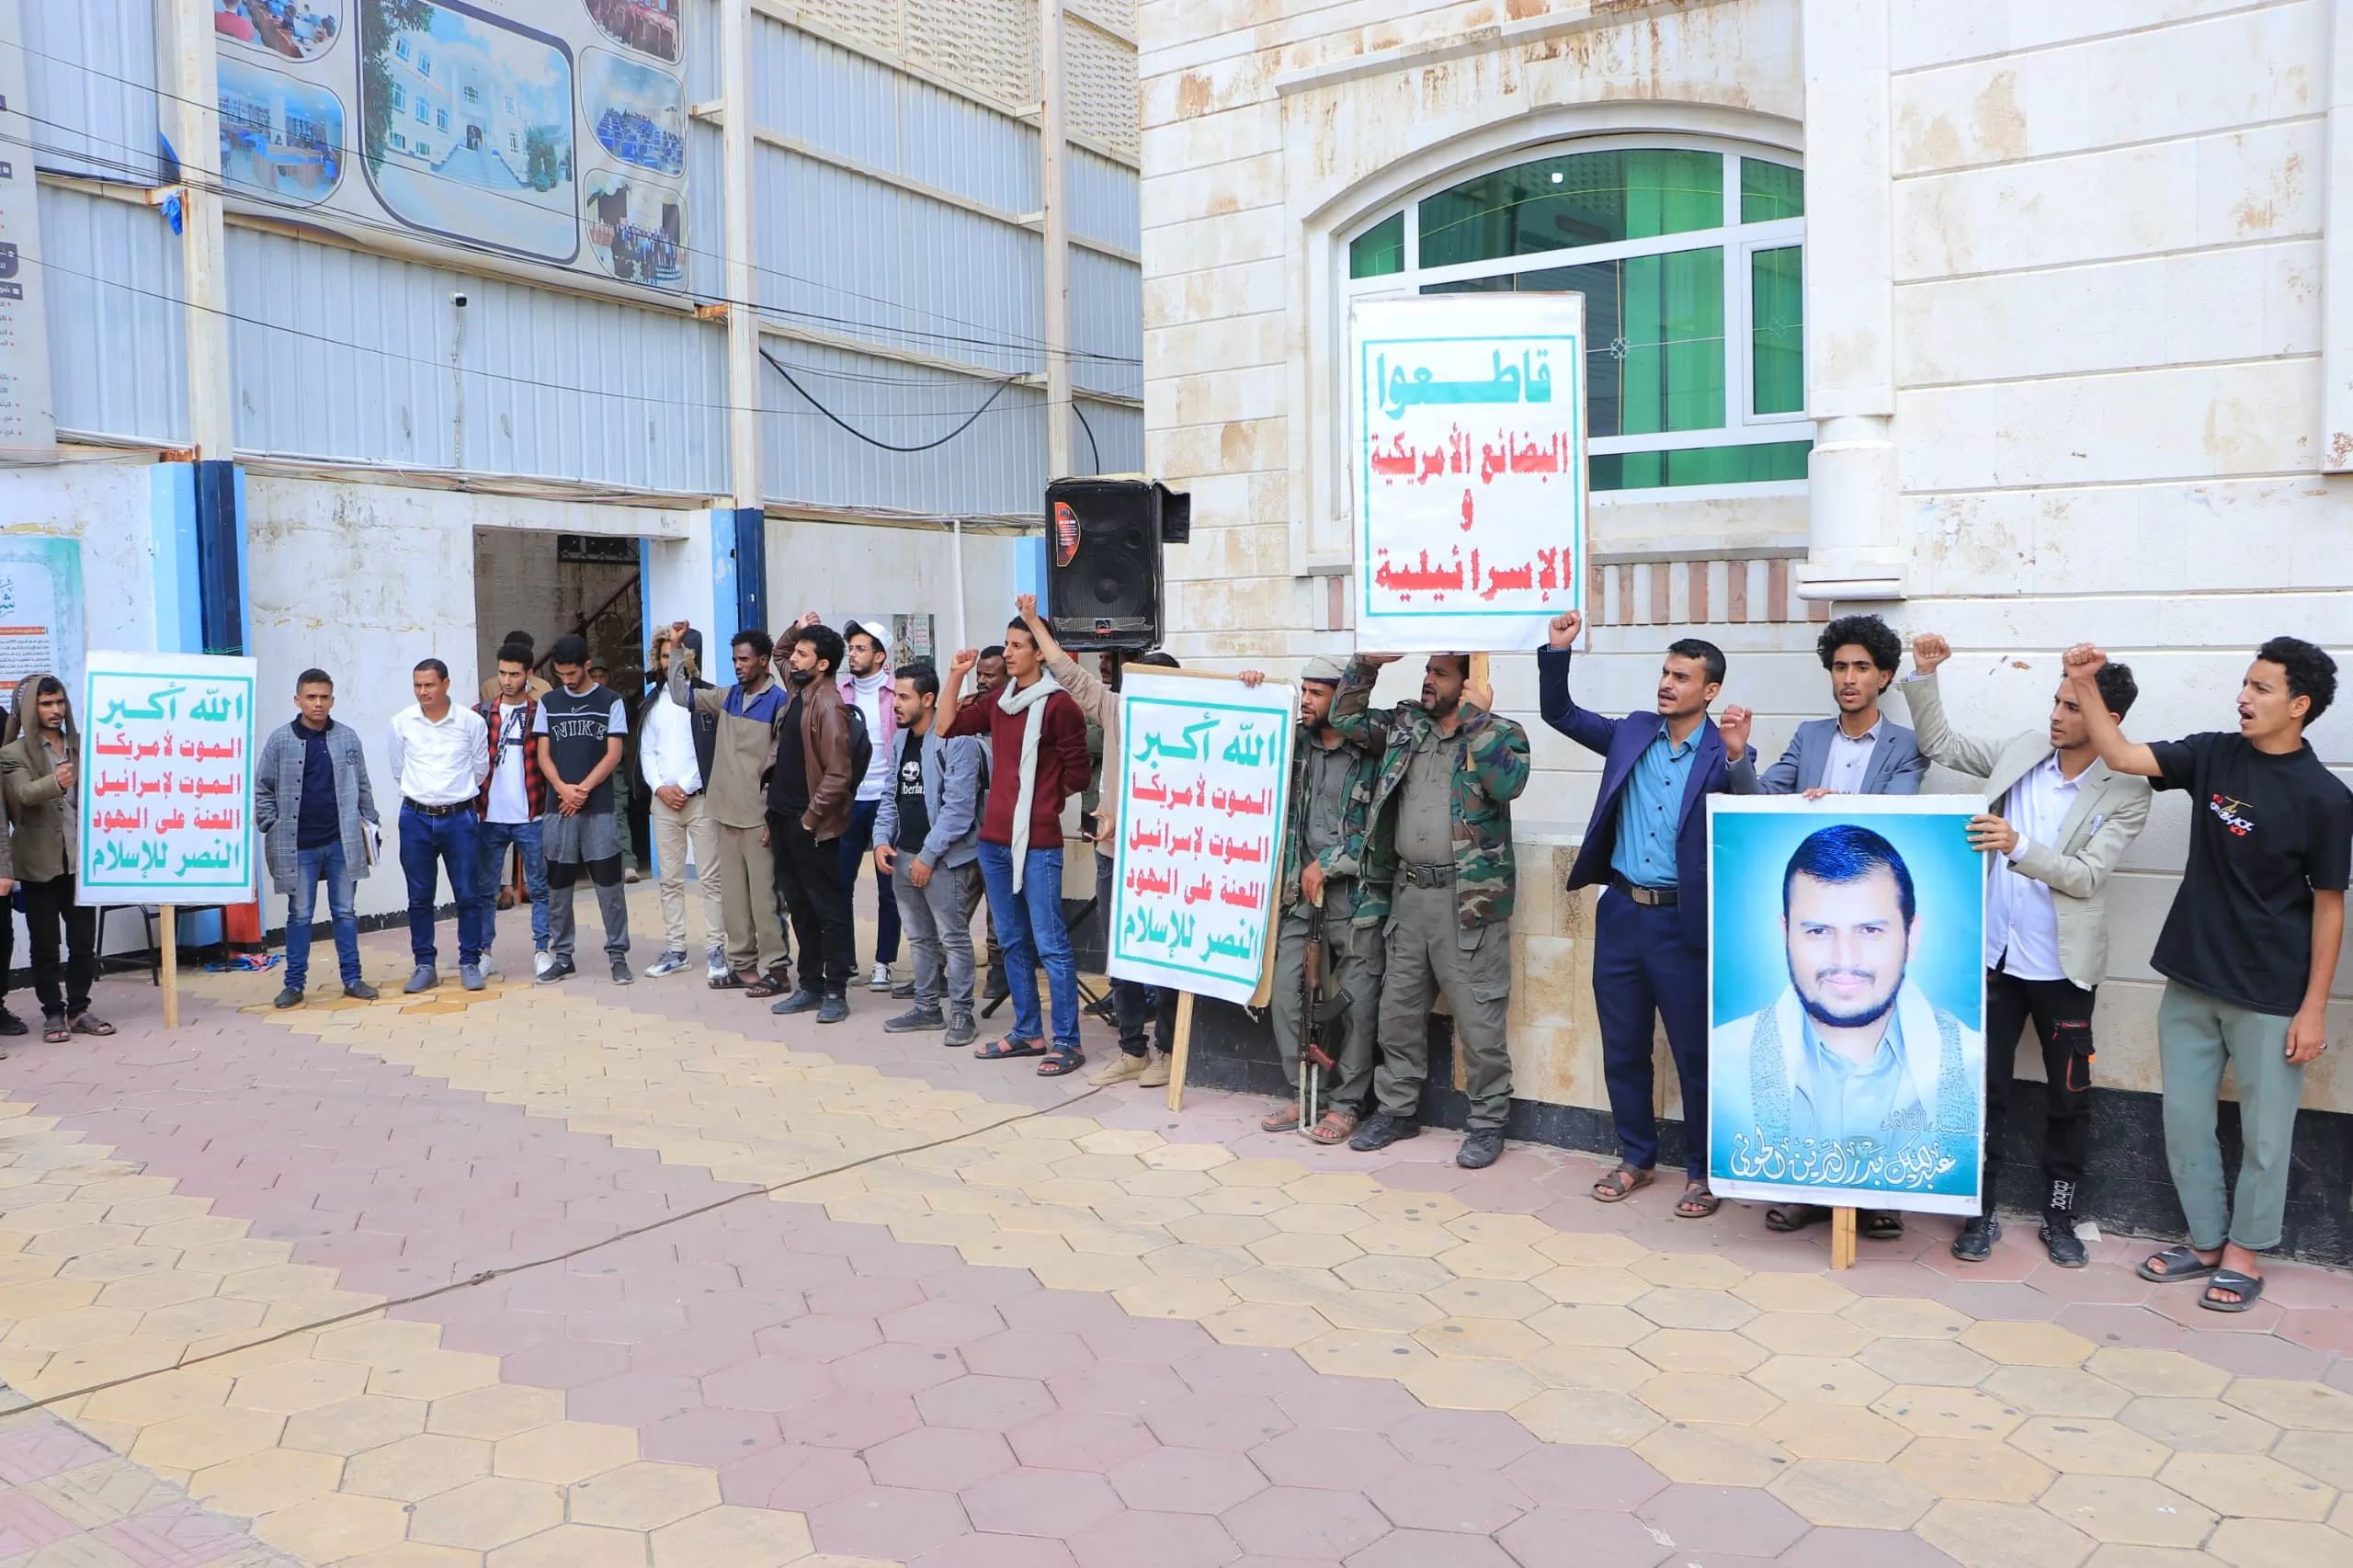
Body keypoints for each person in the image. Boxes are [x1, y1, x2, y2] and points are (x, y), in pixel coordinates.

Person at [2065, 637, 2350, 1312]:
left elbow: (2331, 910)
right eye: (2244, 685)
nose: (2243, 698)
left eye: (2260, 688)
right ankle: (2204, 1241)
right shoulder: (2215, 753)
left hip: (2271, 994)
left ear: (2300, 705)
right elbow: (2122, 754)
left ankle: (2246, 1252)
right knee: (2184, 1120)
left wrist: (2314, 1009)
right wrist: (2084, 684)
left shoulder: (2327, 799)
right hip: (2191, 977)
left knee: (2265, 1134)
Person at [1907, 632, 2152, 1267]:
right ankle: (1977, 1212)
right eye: (2056, 701)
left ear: (2107, 719)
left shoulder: (2127, 792)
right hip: (1994, 961)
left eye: (2072, 706)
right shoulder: (2023, 751)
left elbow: (2088, 876)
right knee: (1984, 1091)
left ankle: (2060, 1216)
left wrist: (2016, 846)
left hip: (2064, 973)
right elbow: (1944, 746)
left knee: (2069, 1100)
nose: (2056, 715)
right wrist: (1925, 675)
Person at [1543, 610, 1756, 1215]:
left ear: (1709, 691)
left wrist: (1740, 759)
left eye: (1682, 677)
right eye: (1665, 673)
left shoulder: (1724, 753)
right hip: (1621, 914)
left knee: (1693, 1054)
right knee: (1624, 1045)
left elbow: (1754, 815)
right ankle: (1635, 1156)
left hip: (1682, 925)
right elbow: (1561, 715)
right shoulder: (1632, 732)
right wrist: (1557, 652)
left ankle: (1702, 1171)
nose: (1667, 684)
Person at [1709, 824, 1988, 1214]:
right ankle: (1803, 1199)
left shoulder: (1970, 1061)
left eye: (1870, 930)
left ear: (1913, 935)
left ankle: (1879, 1206)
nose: (1845, 959)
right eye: (1819, 931)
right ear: (1785, 933)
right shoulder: (1726, 1057)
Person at [1330, 652, 1530, 1168]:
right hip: (1407, 897)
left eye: (1440, 674)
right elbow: (1344, 718)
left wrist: (1479, 718)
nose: (1427, 680)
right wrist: (1365, 664)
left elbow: (1508, 785)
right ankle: (1397, 1111)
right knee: (1398, 1016)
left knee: (1479, 1022)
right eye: (1428, 671)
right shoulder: (1404, 726)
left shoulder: (1500, 733)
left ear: (1467, 683)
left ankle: (1487, 1123)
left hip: (1468, 904)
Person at [1007, 596, 1179, 1085]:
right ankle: (1133, 1051)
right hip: (1112, 856)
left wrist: (1249, 684)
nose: (1145, 694)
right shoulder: (1119, 710)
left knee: (1164, 957)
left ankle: (1167, 1051)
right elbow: (1067, 671)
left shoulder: (1193, 727)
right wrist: (1033, 624)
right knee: (1120, 956)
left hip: (1163, 863)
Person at [939, 617, 1092, 1076]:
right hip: (995, 842)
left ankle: (1067, 1041)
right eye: (1006, 644)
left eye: (1018, 645)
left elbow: (1079, 773)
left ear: (1039, 653)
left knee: (1051, 945)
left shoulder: (1059, 706)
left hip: (1039, 842)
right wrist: (954, 674)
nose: (1008, 653)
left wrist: (1041, 803)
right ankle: (1028, 1031)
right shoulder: (999, 701)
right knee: (1011, 941)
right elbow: (945, 725)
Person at [1245, 657, 1386, 1144]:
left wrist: (1329, 863)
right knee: (1286, 995)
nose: (1305, 701)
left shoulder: (1370, 750)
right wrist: (1253, 690)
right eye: (1303, 691)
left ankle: (1346, 1105)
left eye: (1317, 693)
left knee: (1356, 1004)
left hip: (1358, 896)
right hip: (1299, 899)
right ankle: (1307, 1092)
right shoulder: (1295, 746)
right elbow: (1239, 740)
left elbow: (1378, 829)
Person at [665, 622, 791, 994]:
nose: (738, 665)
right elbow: (679, 696)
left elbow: (782, 765)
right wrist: (676, 649)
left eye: (745, 660)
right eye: (735, 659)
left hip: (759, 818)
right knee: (734, 900)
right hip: (724, 813)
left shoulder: (779, 702)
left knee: (765, 899)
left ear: (764, 661)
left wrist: (775, 816)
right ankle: (744, 966)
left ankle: (777, 970)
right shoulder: (728, 696)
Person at [873, 661, 985, 1044]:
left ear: (929, 699)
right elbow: (891, 794)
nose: (896, 705)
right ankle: (926, 1009)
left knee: (953, 938)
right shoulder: (901, 739)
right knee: (919, 939)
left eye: (904, 697)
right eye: (895, 697)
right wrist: (880, 839)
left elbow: (959, 809)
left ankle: (962, 1016)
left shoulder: (959, 741)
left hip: (943, 861)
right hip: (903, 856)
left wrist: (928, 856)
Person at [256, 669, 381, 1009]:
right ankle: (294, 984)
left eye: (324, 696)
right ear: (297, 700)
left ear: (332, 700)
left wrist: (372, 823)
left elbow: (363, 784)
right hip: (299, 845)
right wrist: (271, 823)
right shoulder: (281, 740)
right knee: (299, 915)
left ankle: (352, 979)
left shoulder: (347, 738)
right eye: (311, 697)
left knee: (345, 912)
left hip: (341, 841)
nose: (318, 703)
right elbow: (262, 787)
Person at [1, 673, 110, 1042]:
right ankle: (53, 1014)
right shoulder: (13, 753)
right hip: (38, 864)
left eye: (60, 702)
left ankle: (79, 1008)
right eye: (46, 704)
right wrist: (57, 781)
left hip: (81, 863)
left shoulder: (82, 745)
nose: (56, 710)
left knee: (83, 942)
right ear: (31, 709)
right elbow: (25, 793)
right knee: (46, 945)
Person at [768, 622, 858, 1023]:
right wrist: (799, 629)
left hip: (813, 825)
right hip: (784, 818)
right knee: (800, 906)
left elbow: (838, 776)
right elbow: (778, 653)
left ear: (822, 664)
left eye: (803, 654)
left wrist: (809, 820)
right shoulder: (799, 691)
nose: (794, 660)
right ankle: (810, 985)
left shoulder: (829, 706)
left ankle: (836, 990)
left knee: (828, 908)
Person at [533, 635, 632, 985]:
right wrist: (562, 789)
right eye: (561, 674)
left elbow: (613, 754)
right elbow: (543, 754)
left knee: (609, 883)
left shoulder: (611, 701)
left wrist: (583, 790)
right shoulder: (548, 702)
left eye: (573, 673)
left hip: (599, 807)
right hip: (558, 807)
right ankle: (562, 955)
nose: (567, 680)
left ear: (587, 665)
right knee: (558, 883)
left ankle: (618, 954)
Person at [1737, 614, 1927, 797]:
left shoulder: (1907, 746)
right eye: (1840, 668)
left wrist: (1837, 807)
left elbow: (1895, 814)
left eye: (1861, 668)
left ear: (1883, 678)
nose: (1848, 679)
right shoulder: (1808, 736)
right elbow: (1761, 798)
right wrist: (1737, 754)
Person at [389, 659, 491, 994]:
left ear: (446, 684)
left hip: (459, 817)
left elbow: (480, 769)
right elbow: (397, 768)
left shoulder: (471, 723)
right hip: (415, 818)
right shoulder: (402, 722)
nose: (423, 692)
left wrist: (453, 797)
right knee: (419, 897)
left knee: (467, 893)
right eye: (417, 685)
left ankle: (470, 961)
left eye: (429, 685)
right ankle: (424, 964)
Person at [641, 627, 725, 980]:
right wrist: (660, 788)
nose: (667, 662)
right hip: (663, 804)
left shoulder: (708, 698)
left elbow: (714, 751)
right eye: (662, 656)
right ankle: (676, 949)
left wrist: (687, 787)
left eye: (673, 655)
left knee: (711, 879)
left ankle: (717, 949)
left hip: (701, 800)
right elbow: (647, 751)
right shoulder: (652, 701)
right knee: (669, 881)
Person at [475, 643, 552, 979]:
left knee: (541, 887)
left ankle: (542, 950)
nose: (506, 680)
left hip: (531, 814)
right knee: (484, 890)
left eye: (514, 674)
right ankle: (483, 952)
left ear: (529, 675)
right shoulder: (481, 713)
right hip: (489, 816)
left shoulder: (540, 711)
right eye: (502, 673)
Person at [835, 618, 903, 994]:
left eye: (861, 649)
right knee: (840, 882)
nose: (853, 654)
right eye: (852, 648)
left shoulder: (895, 694)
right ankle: (845, 962)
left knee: (888, 887)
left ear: (880, 655)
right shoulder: (840, 692)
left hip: (885, 798)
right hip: (849, 799)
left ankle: (884, 962)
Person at [478, 630, 550, 704]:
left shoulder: (544, 688)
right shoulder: (489, 687)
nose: (507, 682)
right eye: (503, 673)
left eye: (514, 674)